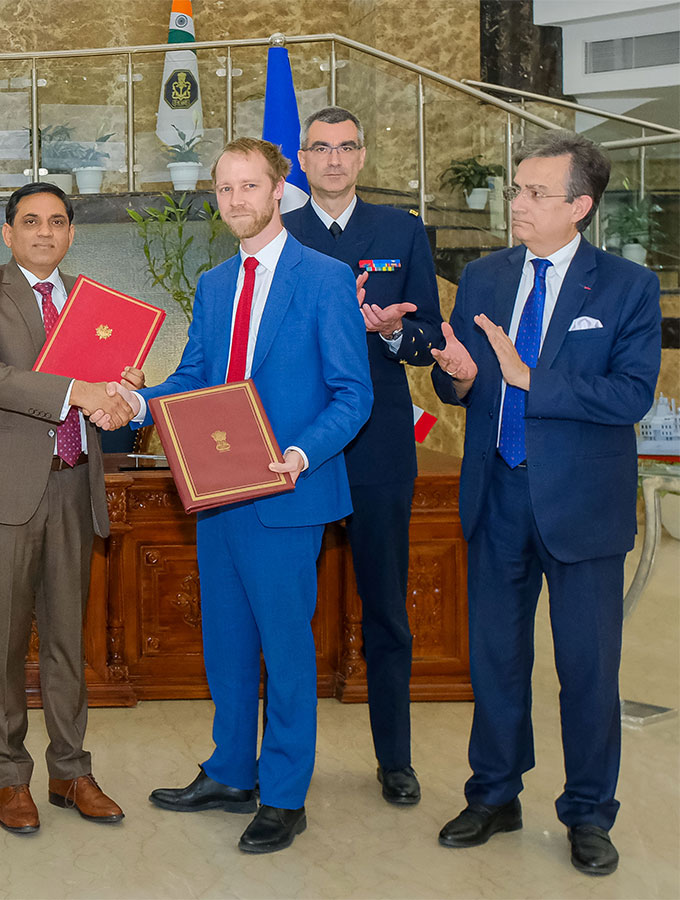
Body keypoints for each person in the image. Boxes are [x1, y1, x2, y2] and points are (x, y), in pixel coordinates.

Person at [119, 138, 372, 853]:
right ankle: (231, 771)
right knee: (226, 641)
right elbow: (194, 379)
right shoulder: (214, 284)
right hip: (217, 492)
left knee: (286, 652)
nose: (236, 200)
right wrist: (136, 401)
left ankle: (284, 793)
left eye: (249, 186)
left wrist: (302, 454)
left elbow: (353, 395)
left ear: (278, 190)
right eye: (225, 188)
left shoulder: (325, 279)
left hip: (288, 494)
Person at [430, 131, 660, 876]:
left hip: (582, 506)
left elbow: (632, 395)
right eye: (516, 190)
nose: (518, 205)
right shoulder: (485, 276)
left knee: (587, 668)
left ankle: (589, 813)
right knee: (495, 659)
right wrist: (461, 377)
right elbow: (460, 382)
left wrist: (533, 378)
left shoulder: (626, 286)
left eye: (536, 193)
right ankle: (494, 795)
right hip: (497, 491)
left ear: (580, 206)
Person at [0, 182, 136, 834]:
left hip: (74, 486)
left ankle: (71, 771)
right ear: (9, 233)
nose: (44, 232)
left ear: (71, 233)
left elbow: (110, 387)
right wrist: (81, 390)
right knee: (1, 644)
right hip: (6, 494)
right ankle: (10, 777)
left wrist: (123, 387)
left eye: (57, 221)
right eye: (31, 221)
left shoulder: (92, 302)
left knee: (66, 642)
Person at [285, 105, 443, 805]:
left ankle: (396, 760)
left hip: (378, 444)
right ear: (301, 159)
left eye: (346, 147)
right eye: (321, 148)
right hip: (301, 445)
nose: (334, 160)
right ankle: (282, 762)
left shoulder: (401, 231)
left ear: (362, 155)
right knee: (287, 610)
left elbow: (430, 336)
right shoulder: (279, 233)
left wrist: (390, 335)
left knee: (385, 607)